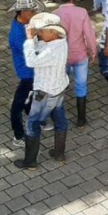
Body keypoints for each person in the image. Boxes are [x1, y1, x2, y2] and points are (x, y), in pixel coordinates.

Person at [15, 12, 69, 170]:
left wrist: (30, 40)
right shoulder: (60, 41)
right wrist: (35, 38)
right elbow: (40, 47)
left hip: (45, 93)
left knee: (32, 125)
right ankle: (59, 153)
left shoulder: (52, 50)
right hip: (58, 89)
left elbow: (32, 61)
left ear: (53, 32)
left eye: (42, 30)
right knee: (60, 121)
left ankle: (30, 162)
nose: (38, 33)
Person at [54, 0, 98, 127]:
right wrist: (93, 51)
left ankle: (58, 116)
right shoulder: (82, 12)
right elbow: (89, 34)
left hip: (62, 57)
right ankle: (81, 119)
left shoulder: (55, 14)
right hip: (80, 55)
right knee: (81, 86)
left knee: (59, 85)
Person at [8, 0, 43, 147]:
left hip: (32, 71)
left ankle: (35, 118)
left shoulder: (26, 24)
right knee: (18, 104)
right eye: (31, 11)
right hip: (28, 73)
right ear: (22, 12)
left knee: (30, 97)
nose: (35, 13)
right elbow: (31, 54)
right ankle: (18, 135)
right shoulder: (17, 35)